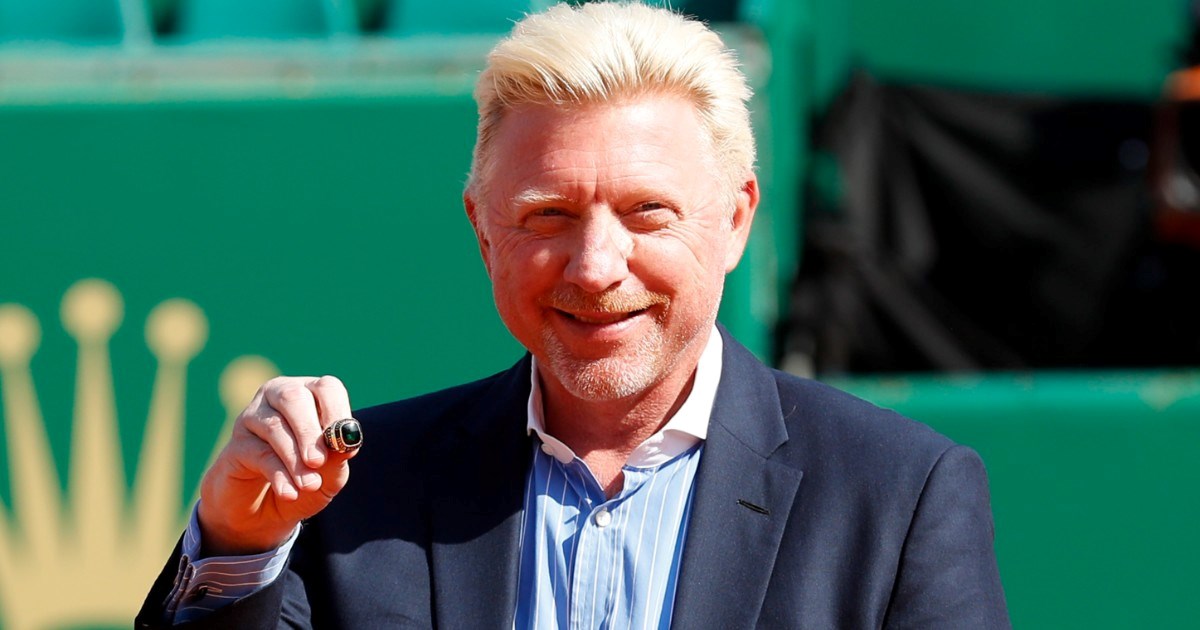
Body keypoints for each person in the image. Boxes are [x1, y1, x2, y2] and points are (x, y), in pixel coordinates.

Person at [137, 2, 1009, 628]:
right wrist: (239, 543)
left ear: (737, 220)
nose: (595, 268)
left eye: (646, 213)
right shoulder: (356, 495)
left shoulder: (898, 498)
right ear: (484, 232)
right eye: (548, 215)